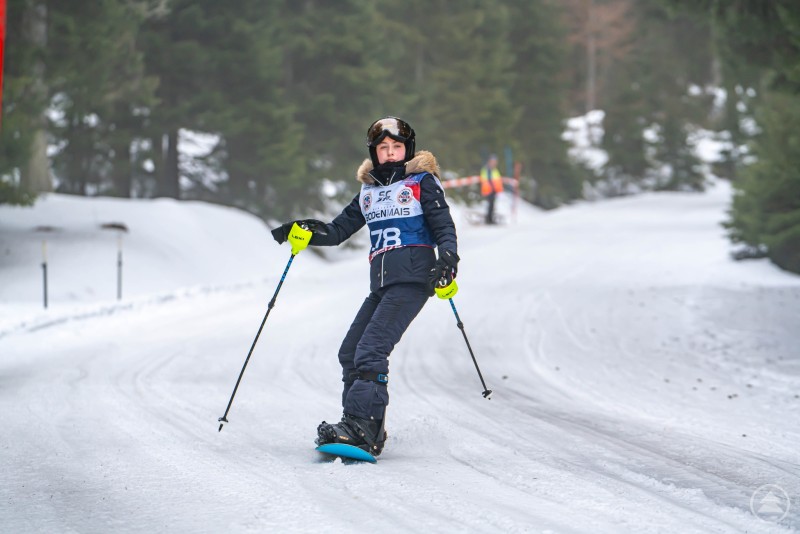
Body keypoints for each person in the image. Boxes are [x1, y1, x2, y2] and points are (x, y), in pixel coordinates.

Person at [270, 116, 459, 456]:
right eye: (383, 148)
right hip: (383, 284)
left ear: (407, 150)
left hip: (413, 279)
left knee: (371, 351)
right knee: (350, 352)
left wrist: (447, 257)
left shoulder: (421, 183)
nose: (389, 154)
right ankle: (356, 424)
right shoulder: (369, 191)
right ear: (374, 151)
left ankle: (364, 429)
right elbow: (338, 230)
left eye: (396, 147)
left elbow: (444, 226)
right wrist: (303, 231)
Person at [479, 154, 504, 224]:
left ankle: (490, 218)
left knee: (492, 205)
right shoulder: (488, 169)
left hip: (493, 190)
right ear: (490, 161)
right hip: (489, 190)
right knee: (491, 205)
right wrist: (493, 188)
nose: (494, 163)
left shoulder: (494, 170)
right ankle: (489, 220)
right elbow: (488, 180)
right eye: (493, 161)